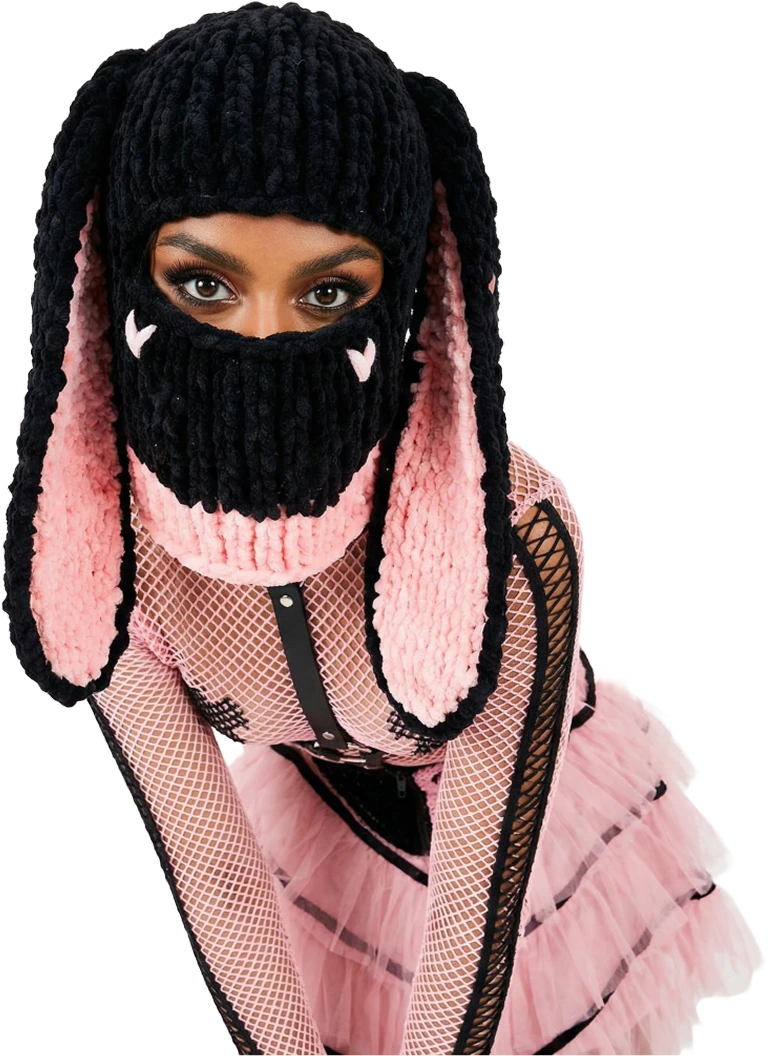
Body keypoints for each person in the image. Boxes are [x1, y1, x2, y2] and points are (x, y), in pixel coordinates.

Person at [4, 3, 764, 1054]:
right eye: (203, 284)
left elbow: (476, 906)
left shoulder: (509, 543)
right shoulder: (102, 561)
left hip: (526, 850)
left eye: (328, 293)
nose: (263, 342)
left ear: (406, 292)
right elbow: (215, 868)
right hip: (327, 835)